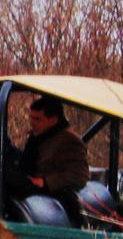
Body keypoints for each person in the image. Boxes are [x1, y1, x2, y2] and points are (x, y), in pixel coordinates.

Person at [16, 95, 89, 223]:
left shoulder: (69, 141)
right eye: (31, 118)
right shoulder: (38, 137)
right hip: (32, 191)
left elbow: (79, 175)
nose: (32, 123)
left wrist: (45, 182)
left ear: (53, 120)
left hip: (54, 199)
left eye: (37, 119)